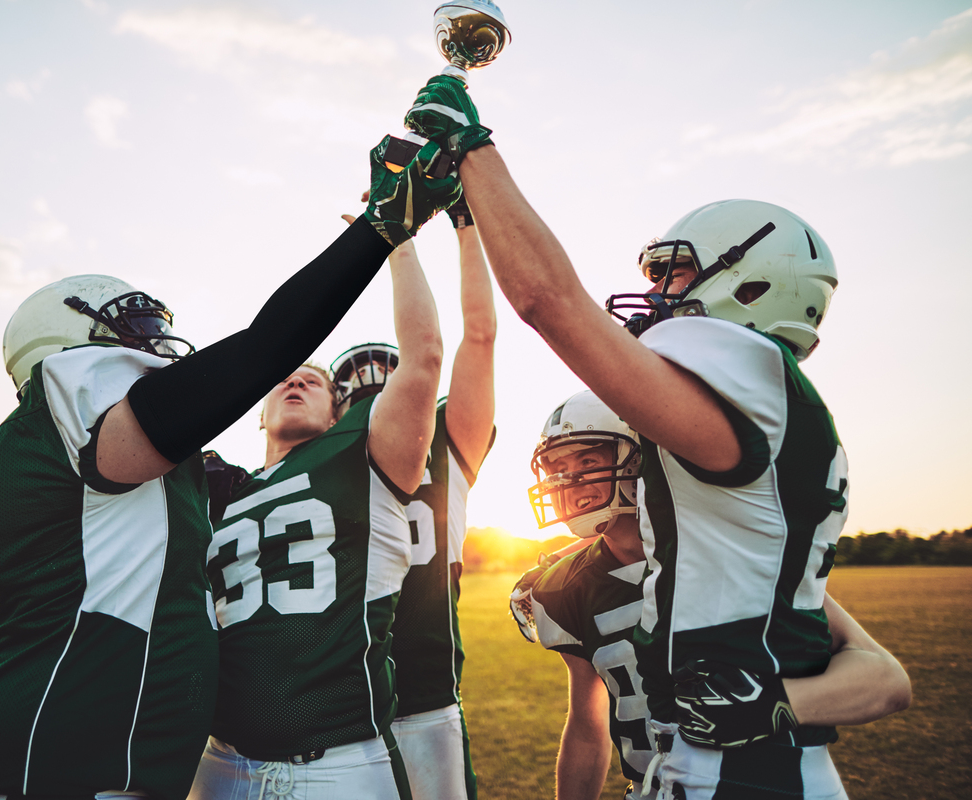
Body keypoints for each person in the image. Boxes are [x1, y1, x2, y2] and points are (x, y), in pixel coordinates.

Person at [0, 136, 459, 800]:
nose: (157, 344)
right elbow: (257, 354)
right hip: (54, 758)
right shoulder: (60, 405)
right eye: (134, 325)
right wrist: (385, 228)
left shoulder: (162, 471)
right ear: (67, 349)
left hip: (123, 762)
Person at [399, 76, 882, 797]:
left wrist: (474, 154)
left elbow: (546, 301)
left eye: (674, 271)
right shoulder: (757, 412)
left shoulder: (754, 379)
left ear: (755, 284)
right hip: (707, 767)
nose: (656, 294)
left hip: (748, 776)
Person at [510, 391, 911, 800]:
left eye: (587, 462)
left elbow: (887, 680)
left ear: (641, 457)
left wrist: (771, 707)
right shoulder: (565, 588)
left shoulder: (729, 555)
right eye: (557, 468)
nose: (567, 481)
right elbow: (586, 722)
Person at [189, 234, 444, 800]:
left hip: (338, 761)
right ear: (257, 415)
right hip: (220, 758)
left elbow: (423, 358)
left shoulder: (361, 462)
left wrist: (397, 243)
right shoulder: (213, 488)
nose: (296, 380)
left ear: (338, 414)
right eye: (284, 376)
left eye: (313, 379)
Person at [328, 195, 496, 800]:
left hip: (424, 697)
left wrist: (467, 226)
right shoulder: (321, 466)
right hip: (331, 704)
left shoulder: (449, 445)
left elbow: (478, 335)